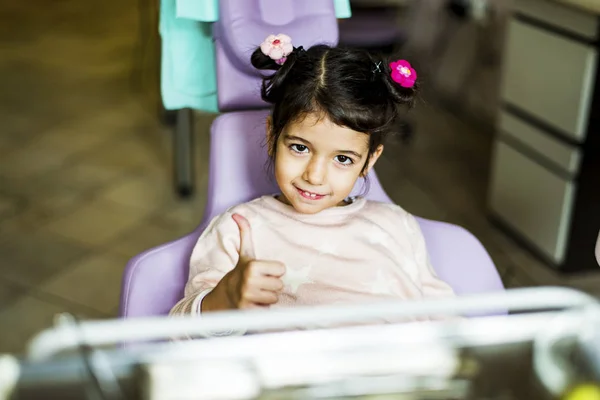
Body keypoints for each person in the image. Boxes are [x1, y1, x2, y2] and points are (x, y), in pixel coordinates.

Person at [169, 34, 456, 328]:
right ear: (272, 136)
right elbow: (182, 331)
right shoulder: (242, 230)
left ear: (369, 160)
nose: (314, 176)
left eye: (343, 158)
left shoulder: (397, 225)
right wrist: (225, 299)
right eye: (300, 148)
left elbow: (445, 319)